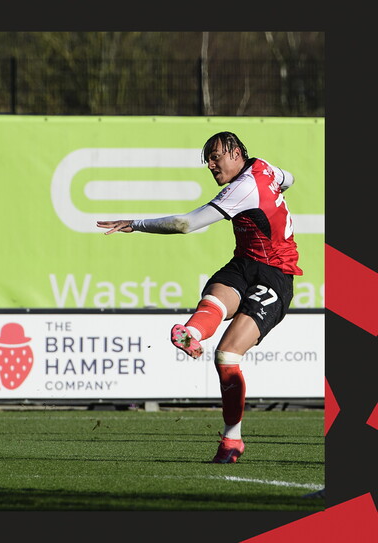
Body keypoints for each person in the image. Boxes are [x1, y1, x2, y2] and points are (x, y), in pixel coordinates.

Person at [97, 131, 301, 464]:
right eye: (207, 159)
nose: (210, 164)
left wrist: (135, 223)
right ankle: (190, 333)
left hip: (276, 275)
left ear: (235, 153)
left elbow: (184, 224)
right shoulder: (264, 168)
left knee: (226, 355)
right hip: (244, 263)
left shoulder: (244, 186)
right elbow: (287, 179)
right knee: (213, 301)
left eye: (215, 157)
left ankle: (232, 440)